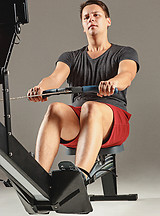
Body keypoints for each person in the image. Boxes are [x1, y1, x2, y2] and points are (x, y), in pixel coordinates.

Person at [27, 0, 139, 179]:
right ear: (83, 26)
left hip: (113, 122)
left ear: (108, 21)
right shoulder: (70, 57)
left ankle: (79, 179)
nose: (91, 19)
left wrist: (113, 83)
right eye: (86, 17)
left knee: (91, 107)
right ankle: (38, 178)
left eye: (96, 15)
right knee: (55, 108)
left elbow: (127, 75)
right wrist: (41, 88)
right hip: (79, 122)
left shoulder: (125, 52)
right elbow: (55, 78)